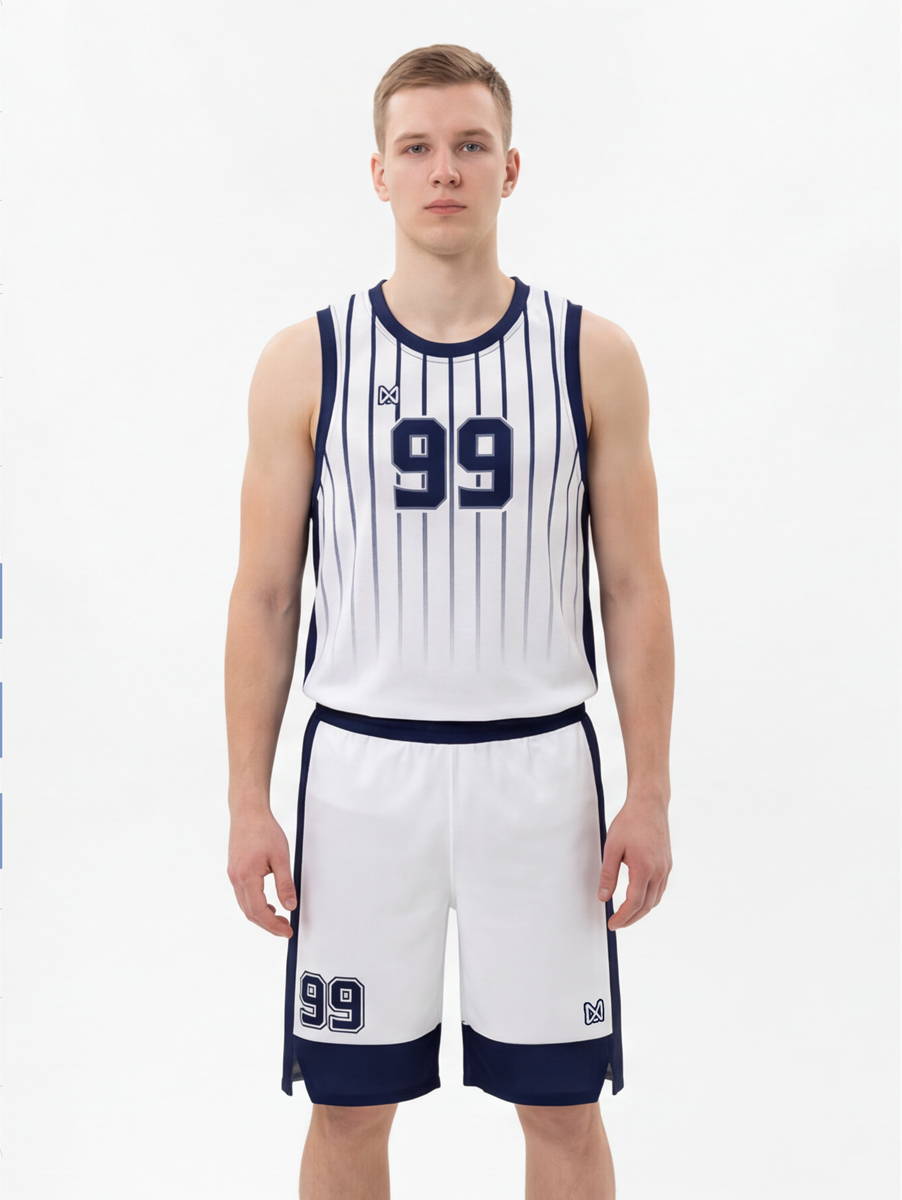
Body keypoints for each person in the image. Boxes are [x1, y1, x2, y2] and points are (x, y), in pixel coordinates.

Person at [225, 43, 674, 1200]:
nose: (444, 171)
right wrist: (246, 801)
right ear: (377, 172)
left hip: (539, 776)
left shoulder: (589, 355)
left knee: (562, 1109)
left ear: (509, 168)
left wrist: (648, 791)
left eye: (470, 145)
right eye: (417, 148)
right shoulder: (305, 362)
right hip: (362, 778)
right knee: (347, 1107)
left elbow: (633, 587)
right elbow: (265, 595)